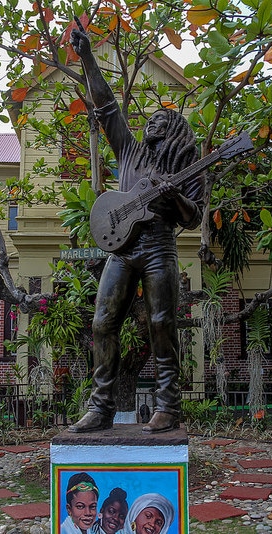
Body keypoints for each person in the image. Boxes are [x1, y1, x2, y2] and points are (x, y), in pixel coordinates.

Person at [68, 18, 204, 435]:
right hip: (122, 248)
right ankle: (100, 407)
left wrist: (173, 197)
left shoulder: (186, 164)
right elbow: (106, 103)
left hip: (159, 247)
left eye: (159, 123)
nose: (150, 126)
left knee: (161, 322)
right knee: (102, 323)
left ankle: (169, 406)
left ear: (175, 131)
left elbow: (194, 215)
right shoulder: (128, 151)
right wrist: (88, 56)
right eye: (148, 123)